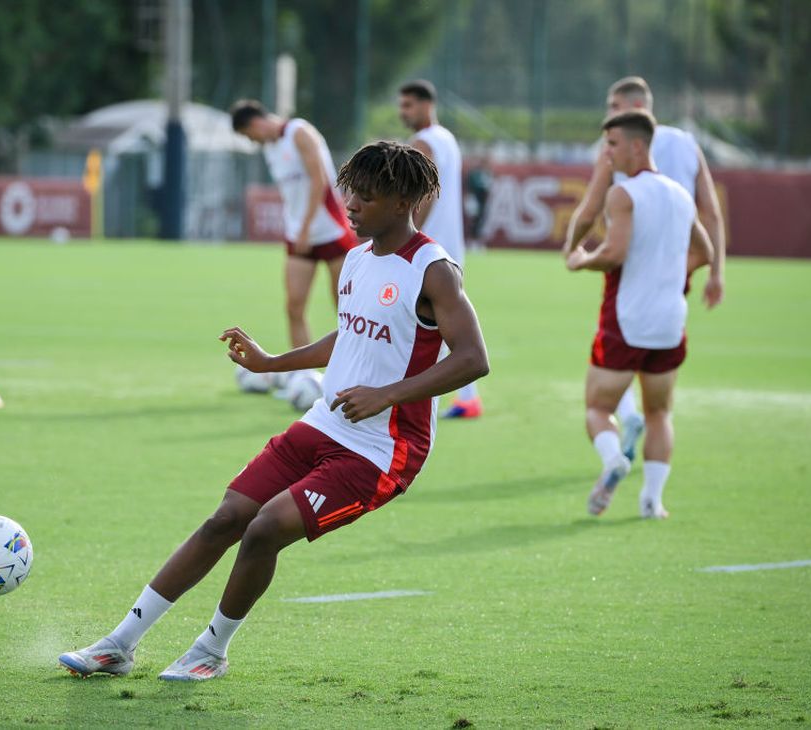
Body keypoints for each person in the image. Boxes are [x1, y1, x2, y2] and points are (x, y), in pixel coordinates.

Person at [59, 141, 490, 681]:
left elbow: (474, 359)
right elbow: (349, 336)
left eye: (366, 196)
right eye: (349, 192)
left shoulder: (435, 269)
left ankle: (210, 652)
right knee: (225, 519)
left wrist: (387, 395)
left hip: (383, 451)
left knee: (264, 530)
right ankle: (119, 644)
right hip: (323, 423)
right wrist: (270, 364)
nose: (350, 205)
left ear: (403, 200)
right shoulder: (357, 259)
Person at [565, 76, 726, 462]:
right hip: (675, 274)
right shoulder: (687, 144)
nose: (609, 117)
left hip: (632, 271)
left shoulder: (620, 149)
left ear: (635, 110)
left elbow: (590, 208)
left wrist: (574, 251)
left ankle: (626, 415)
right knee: (658, 379)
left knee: (617, 350)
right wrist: (716, 271)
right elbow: (712, 214)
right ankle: (647, 467)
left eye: (614, 108)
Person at [230, 100, 357, 350]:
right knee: (294, 307)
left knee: (347, 310)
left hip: (330, 230)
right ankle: (301, 376)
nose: (252, 141)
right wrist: (298, 228)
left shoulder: (299, 132)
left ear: (255, 123)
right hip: (298, 234)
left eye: (248, 135)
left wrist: (307, 227)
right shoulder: (270, 148)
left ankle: (353, 371)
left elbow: (318, 181)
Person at [399, 79, 483, 419]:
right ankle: (468, 397)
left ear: (426, 105)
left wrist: (408, 233)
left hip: (426, 248)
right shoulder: (446, 137)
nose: (403, 112)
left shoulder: (422, 142)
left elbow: (426, 192)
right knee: (446, 321)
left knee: (408, 320)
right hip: (449, 245)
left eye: (408, 105)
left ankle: (415, 398)